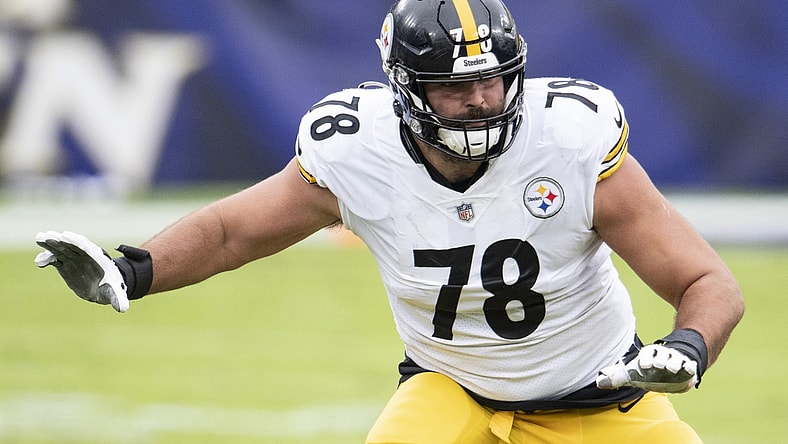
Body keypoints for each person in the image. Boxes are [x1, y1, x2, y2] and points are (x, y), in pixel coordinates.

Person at [35, 0, 744, 442]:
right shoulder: (356, 151)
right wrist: (132, 270)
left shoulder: (571, 141)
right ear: (404, 91)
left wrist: (688, 346)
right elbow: (232, 231)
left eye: (493, 78)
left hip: (600, 403)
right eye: (456, 86)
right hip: (451, 391)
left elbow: (708, 280)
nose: (482, 99)